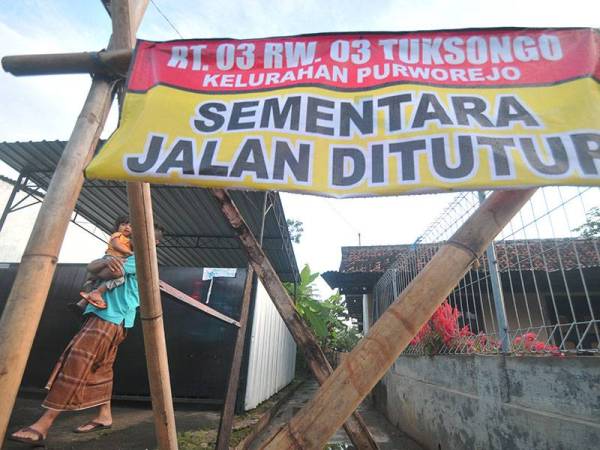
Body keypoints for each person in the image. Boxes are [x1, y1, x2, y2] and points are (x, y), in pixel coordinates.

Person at [8, 226, 164, 446]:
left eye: (143, 233)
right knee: (101, 368)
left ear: (154, 242)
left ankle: (43, 425)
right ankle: (104, 415)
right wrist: (98, 267)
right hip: (111, 318)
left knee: (76, 364)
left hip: (109, 318)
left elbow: (103, 272)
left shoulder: (143, 258)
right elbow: (91, 269)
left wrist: (98, 267)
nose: (135, 235)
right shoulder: (126, 254)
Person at [78, 216, 134, 310]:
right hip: (111, 258)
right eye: (123, 225)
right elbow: (116, 245)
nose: (127, 227)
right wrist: (129, 252)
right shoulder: (117, 235)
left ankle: (84, 299)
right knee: (119, 279)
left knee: (104, 280)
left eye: (130, 226)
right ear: (117, 227)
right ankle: (96, 291)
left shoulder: (129, 241)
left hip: (116, 260)